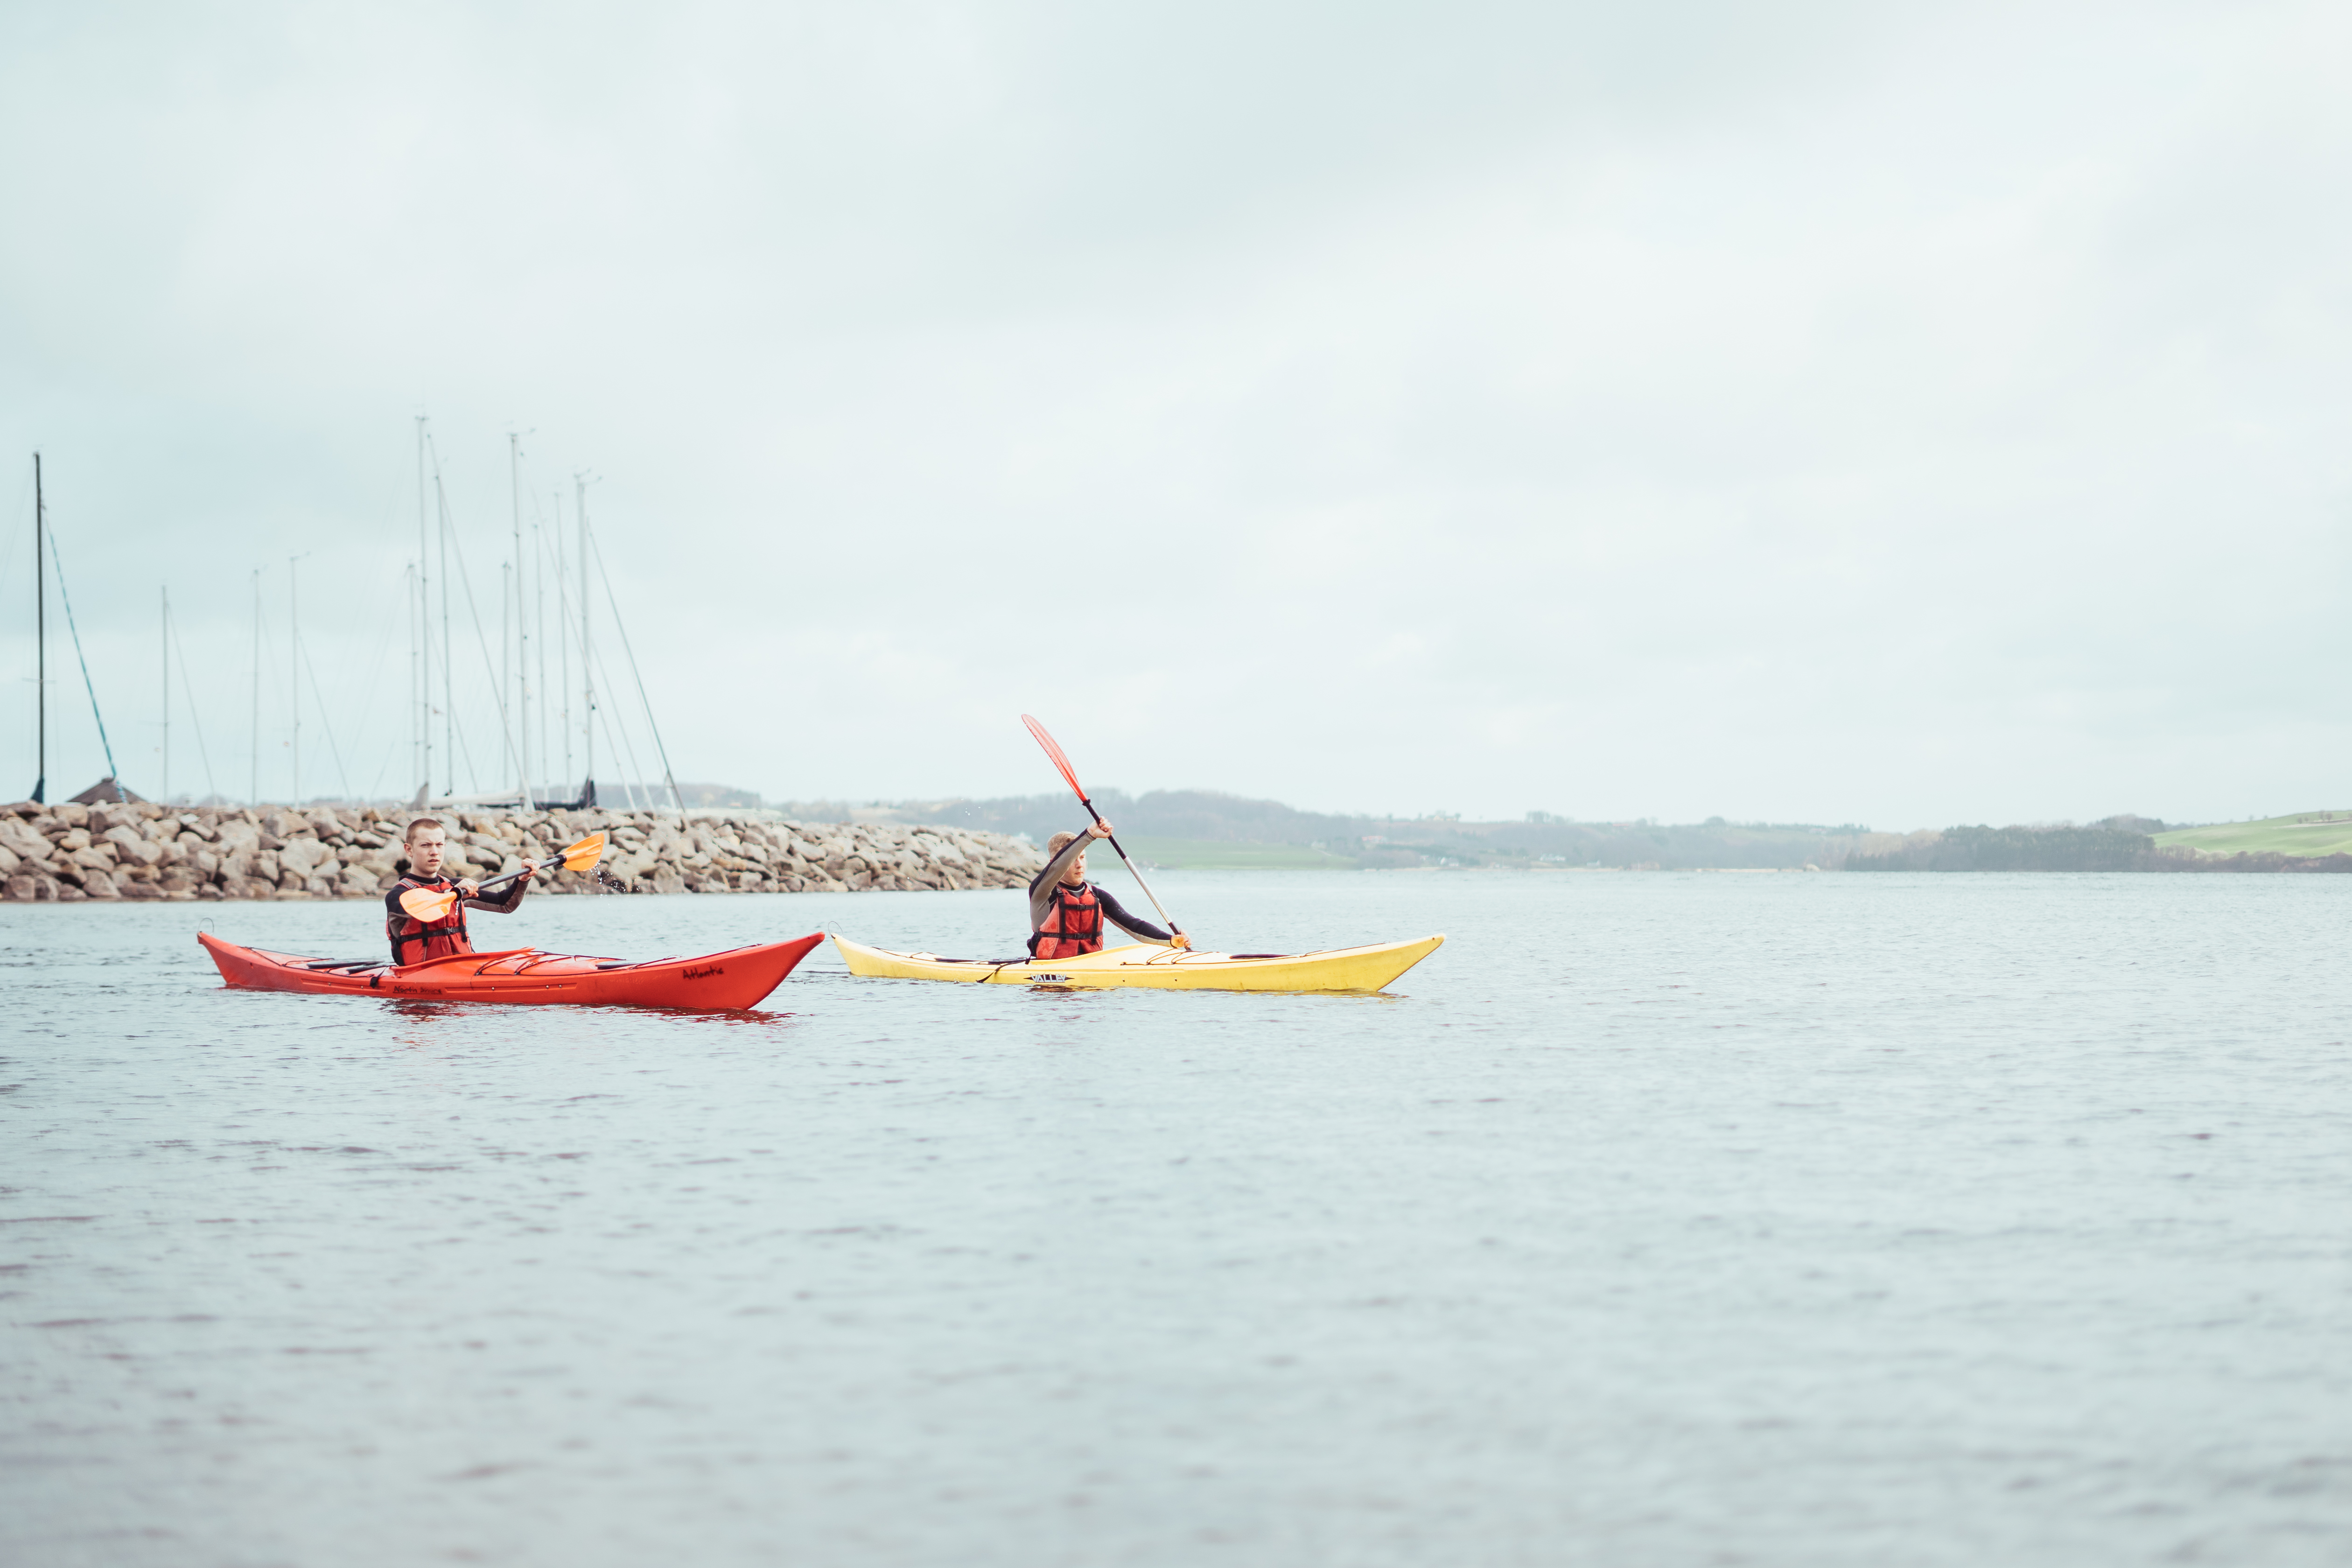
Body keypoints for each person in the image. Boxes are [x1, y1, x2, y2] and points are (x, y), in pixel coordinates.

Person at [384, 817, 540, 965]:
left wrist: (523, 879)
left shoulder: (454, 886)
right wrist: (454, 893)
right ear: (409, 850)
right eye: (426, 845)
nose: (434, 852)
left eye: (439, 845)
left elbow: (505, 904)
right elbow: (419, 908)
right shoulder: (398, 896)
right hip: (420, 974)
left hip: (463, 967)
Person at [1029, 819, 1191, 959]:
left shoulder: (1098, 897)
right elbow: (1059, 866)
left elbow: (1134, 926)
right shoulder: (1041, 894)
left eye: (1083, 857)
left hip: (1092, 974)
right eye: (1073, 860)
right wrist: (1090, 835)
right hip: (1051, 981)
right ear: (1053, 862)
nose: (1079, 864)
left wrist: (1172, 940)